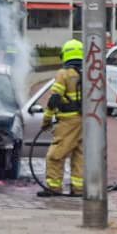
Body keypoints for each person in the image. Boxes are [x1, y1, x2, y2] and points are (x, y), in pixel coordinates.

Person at [40, 39, 85, 197]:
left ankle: (54, 188)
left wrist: (46, 119)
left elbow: (55, 99)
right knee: (79, 156)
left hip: (68, 122)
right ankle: (78, 189)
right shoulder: (89, 73)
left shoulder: (64, 74)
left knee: (55, 155)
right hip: (86, 121)